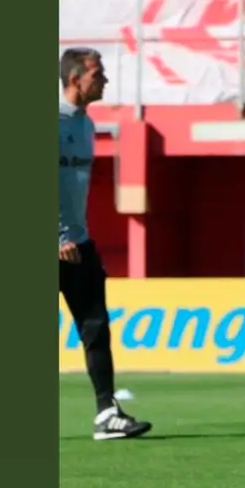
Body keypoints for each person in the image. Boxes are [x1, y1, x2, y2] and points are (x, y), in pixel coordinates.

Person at [59, 48, 153, 441]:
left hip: (78, 244)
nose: (105, 81)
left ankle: (107, 413)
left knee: (96, 328)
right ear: (75, 78)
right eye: (98, 74)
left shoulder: (85, 125)